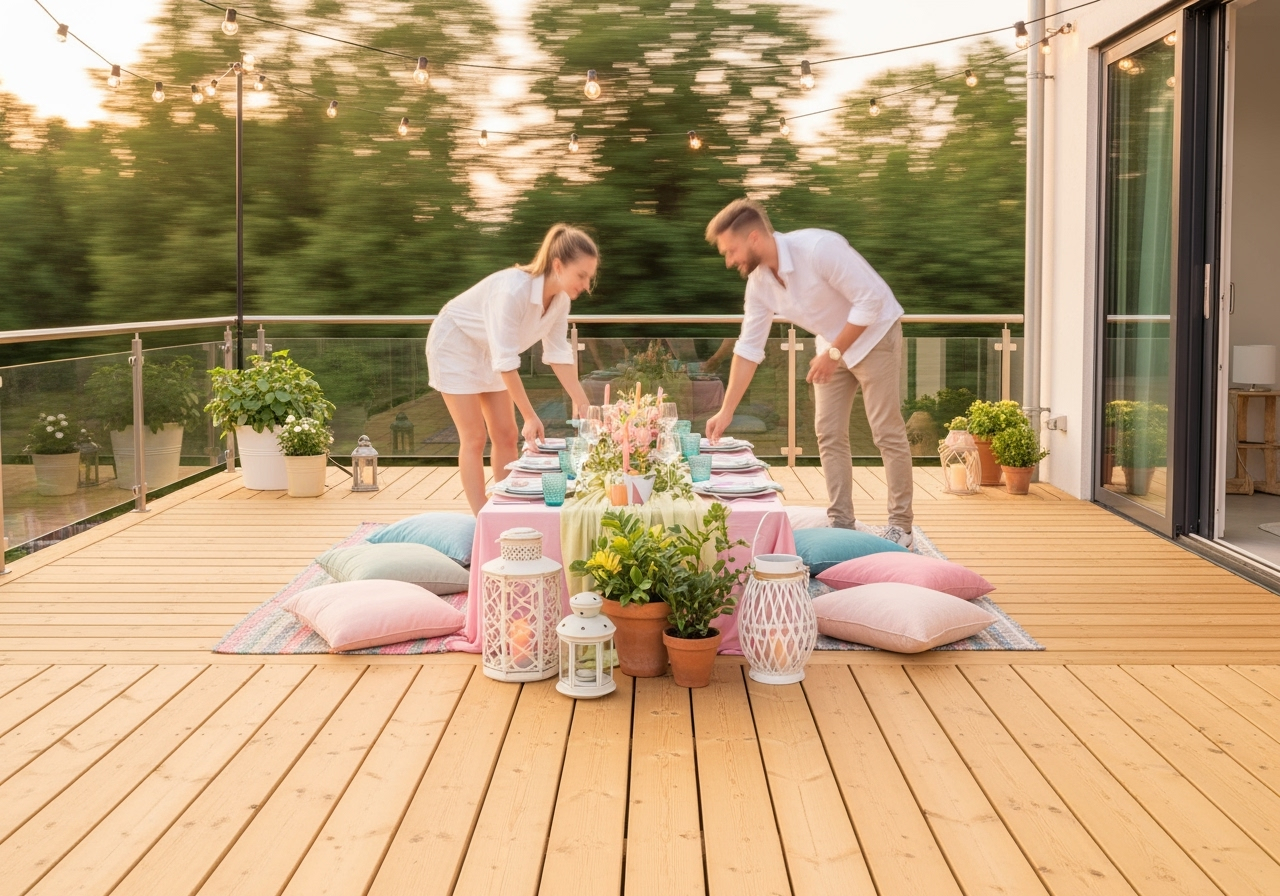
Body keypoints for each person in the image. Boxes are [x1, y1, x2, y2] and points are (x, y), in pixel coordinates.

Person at [702, 199, 914, 547]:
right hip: (832, 347)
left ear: (754, 237)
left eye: (731, 250)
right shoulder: (759, 283)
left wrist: (834, 352)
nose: (729, 261)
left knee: (885, 431)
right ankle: (842, 523)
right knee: (828, 433)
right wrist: (726, 411)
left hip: (875, 336)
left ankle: (900, 527)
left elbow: (871, 300)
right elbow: (748, 347)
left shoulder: (819, 248)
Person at [427, 224, 595, 514]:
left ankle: (505, 509)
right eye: (581, 275)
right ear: (557, 265)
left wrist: (582, 401)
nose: (587, 284)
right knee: (475, 437)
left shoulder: (561, 300)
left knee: (506, 434)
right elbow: (506, 361)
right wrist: (530, 416)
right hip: (455, 344)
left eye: (590, 277)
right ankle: (483, 518)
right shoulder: (512, 290)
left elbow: (557, 354)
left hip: (491, 350)